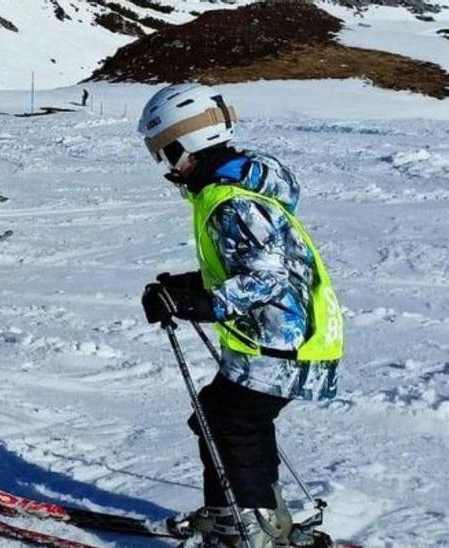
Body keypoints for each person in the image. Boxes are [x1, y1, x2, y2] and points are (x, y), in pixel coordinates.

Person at [136, 83, 345, 548]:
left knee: (230, 422)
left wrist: (199, 304)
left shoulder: (231, 201)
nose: (165, 166)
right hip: (288, 339)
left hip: (285, 343)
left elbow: (265, 280)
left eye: (163, 153)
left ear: (183, 144)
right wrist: (185, 287)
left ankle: (244, 529)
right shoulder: (231, 189)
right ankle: (260, 518)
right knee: (227, 417)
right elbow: (250, 265)